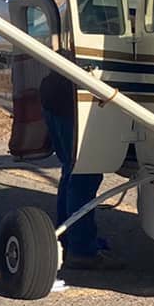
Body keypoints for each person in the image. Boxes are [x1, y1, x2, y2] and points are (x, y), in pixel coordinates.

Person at [37, 67, 113, 271]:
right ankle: (82, 250)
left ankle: (67, 239)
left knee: (70, 171)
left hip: (54, 95)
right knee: (84, 174)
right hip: (71, 103)